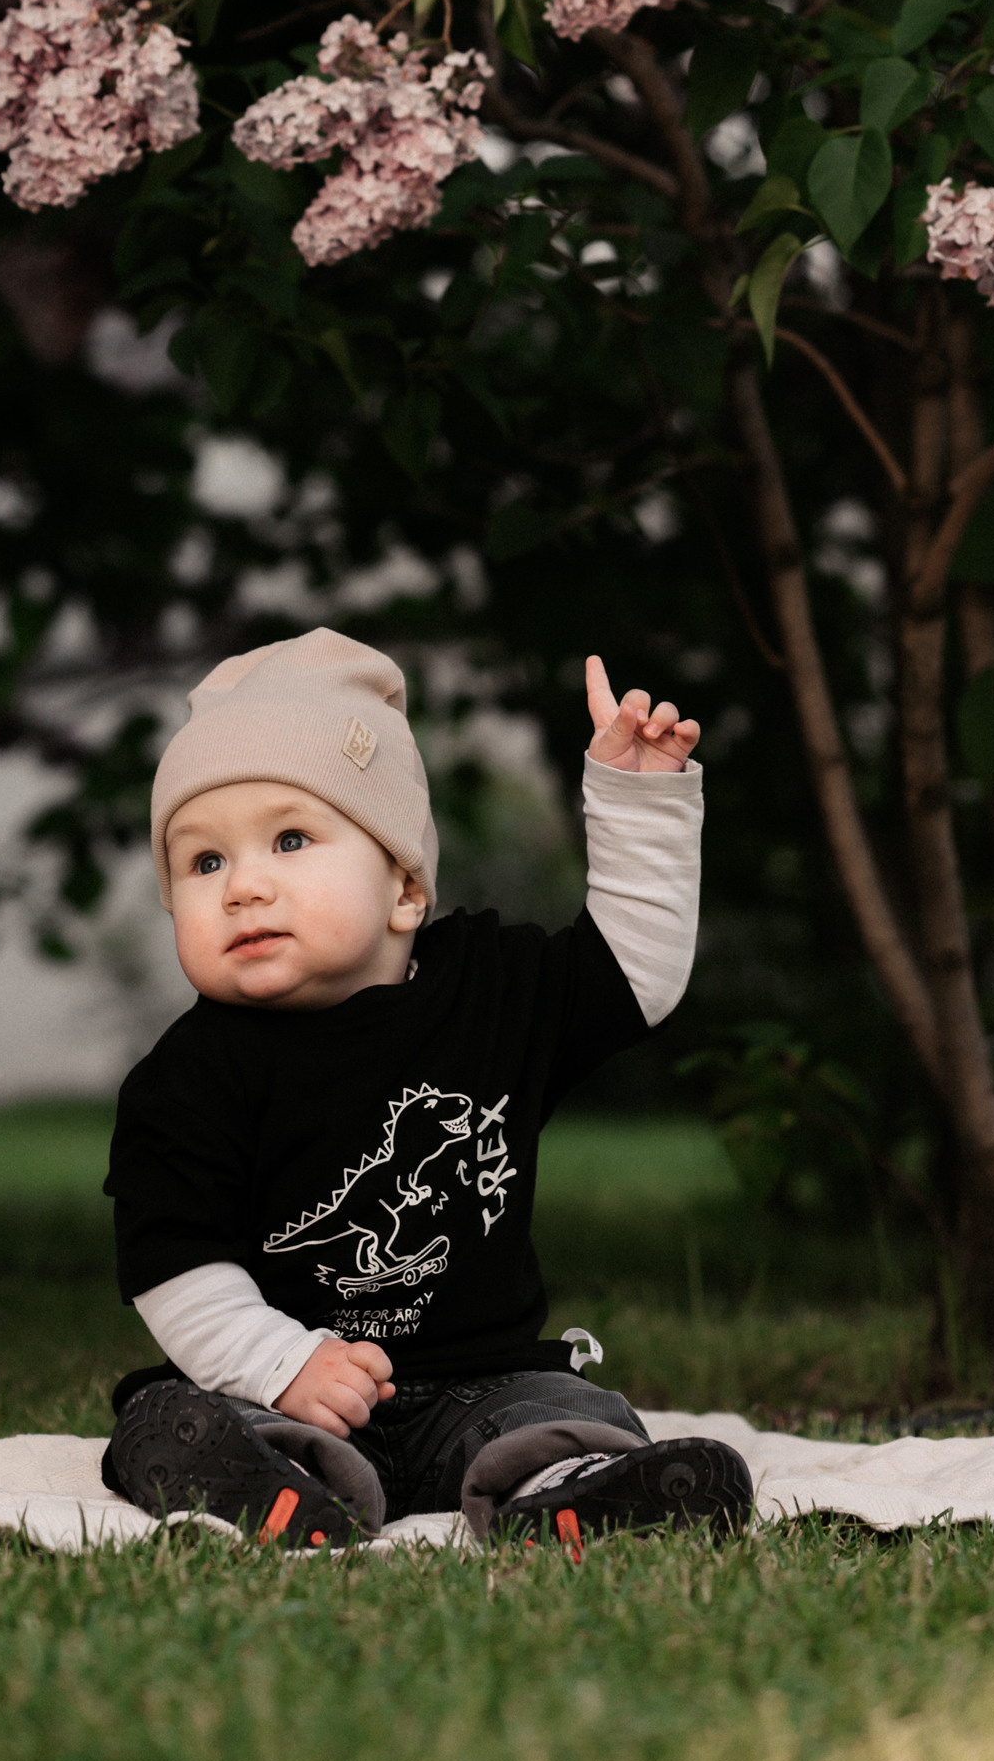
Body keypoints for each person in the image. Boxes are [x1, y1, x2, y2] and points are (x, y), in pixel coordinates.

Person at [100, 625, 753, 1554]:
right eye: (204, 862)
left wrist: (637, 803)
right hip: (285, 1394)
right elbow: (173, 1266)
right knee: (174, 1414)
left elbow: (632, 975)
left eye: (289, 839)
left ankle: (563, 1491)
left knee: (566, 1409)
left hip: (483, 1385)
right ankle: (283, 1488)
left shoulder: (489, 990)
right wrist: (283, 1366)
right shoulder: (186, 1077)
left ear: (405, 889)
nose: (241, 885)